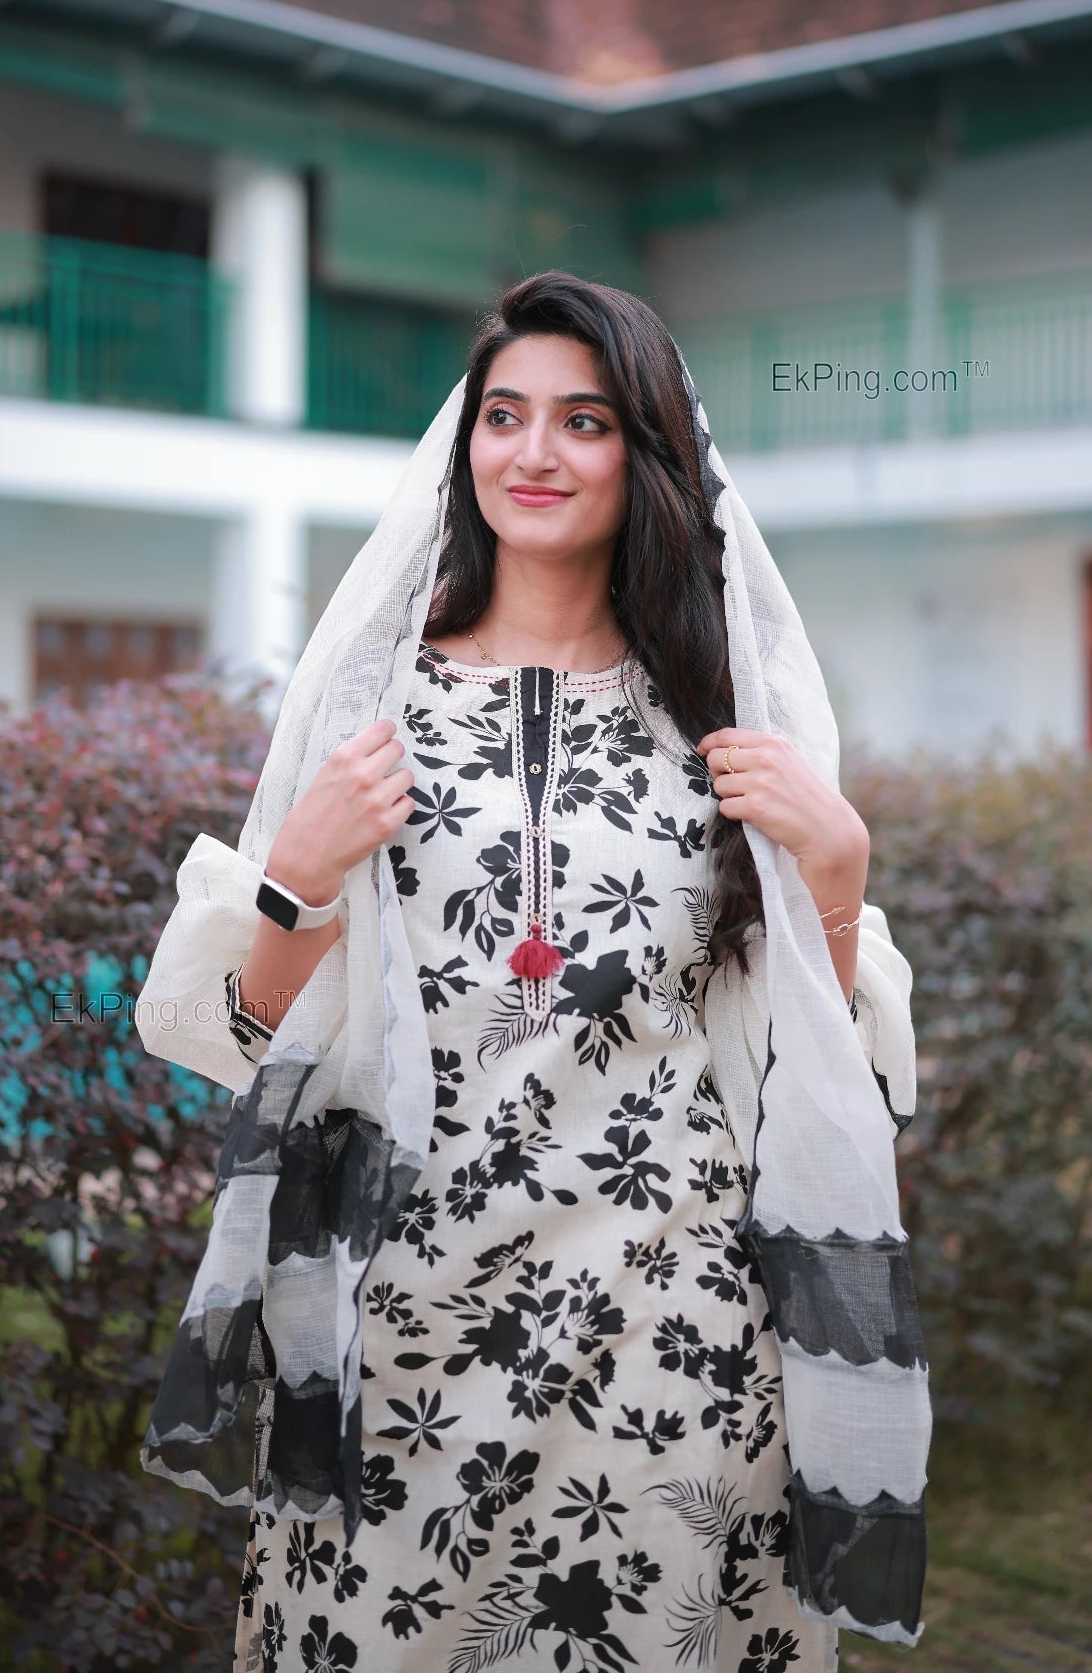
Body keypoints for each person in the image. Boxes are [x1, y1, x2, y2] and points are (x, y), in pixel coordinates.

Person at [135, 272, 928, 1673]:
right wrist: (296, 875)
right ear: (465, 446)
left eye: (584, 420)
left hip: (672, 1328)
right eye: (503, 416)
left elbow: (841, 1084)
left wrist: (841, 876)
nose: (534, 453)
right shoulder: (369, 707)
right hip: (404, 1322)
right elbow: (227, 1033)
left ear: (649, 458)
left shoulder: (725, 724)